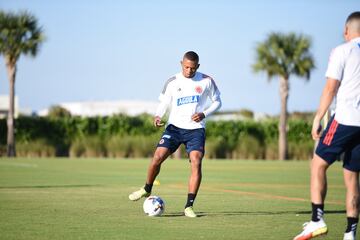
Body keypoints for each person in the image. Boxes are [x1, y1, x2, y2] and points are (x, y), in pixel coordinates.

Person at [128, 51, 222, 217]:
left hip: (196, 129)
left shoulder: (206, 81)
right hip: (174, 128)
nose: (189, 71)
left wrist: (204, 114)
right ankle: (146, 189)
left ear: (197, 66)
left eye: (192, 68)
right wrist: (158, 116)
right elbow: (164, 102)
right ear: (181, 64)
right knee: (157, 158)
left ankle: (189, 206)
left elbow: (218, 102)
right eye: (186, 67)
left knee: (196, 161)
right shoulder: (172, 81)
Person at [294, 12, 360, 240]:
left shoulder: (343, 50)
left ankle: (316, 220)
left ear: (346, 31)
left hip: (345, 119)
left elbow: (330, 88)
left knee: (318, 165)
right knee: (352, 177)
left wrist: (318, 117)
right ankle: (350, 233)